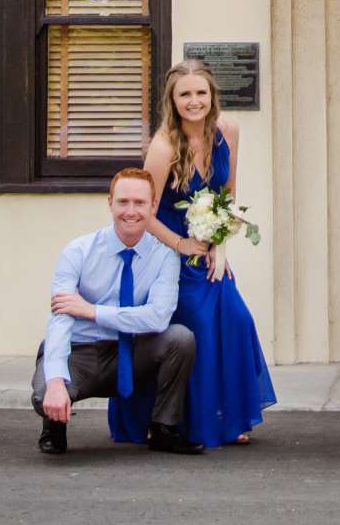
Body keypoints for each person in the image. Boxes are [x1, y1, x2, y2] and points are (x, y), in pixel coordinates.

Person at [118, 59, 277, 449]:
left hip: (209, 249)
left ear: (212, 96)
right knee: (199, 328)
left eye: (200, 93)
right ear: (172, 101)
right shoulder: (163, 146)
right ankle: (185, 421)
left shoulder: (229, 131)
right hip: (170, 251)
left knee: (235, 320)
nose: (194, 101)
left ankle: (228, 416)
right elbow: (145, 211)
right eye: (185, 94)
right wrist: (182, 245)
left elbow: (228, 194)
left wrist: (218, 243)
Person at [32, 168, 201, 457]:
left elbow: (158, 316)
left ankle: (163, 428)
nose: (131, 211)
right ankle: (54, 424)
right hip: (81, 351)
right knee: (43, 394)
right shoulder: (78, 251)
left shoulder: (164, 257)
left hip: (134, 351)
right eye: (123, 202)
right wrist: (57, 382)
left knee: (180, 338)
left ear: (154, 206)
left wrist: (92, 311)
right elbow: (60, 319)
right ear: (110, 202)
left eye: (139, 203)